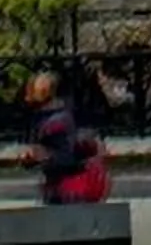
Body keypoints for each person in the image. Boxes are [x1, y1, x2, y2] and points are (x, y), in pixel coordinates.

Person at [19, 69, 107, 205]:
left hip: (67, 187)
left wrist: (42, 156)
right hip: (60, 185)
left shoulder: (55, 122)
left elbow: (66, 156)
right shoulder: (50, 117)